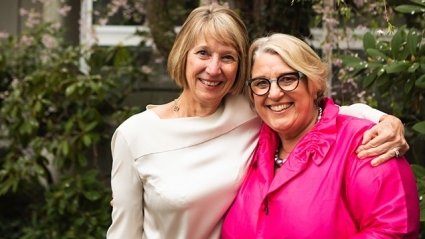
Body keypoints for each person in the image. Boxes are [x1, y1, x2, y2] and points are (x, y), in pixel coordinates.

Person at [106, 4, 410, 239]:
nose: (213, 69)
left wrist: (384, 120)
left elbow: (326, 111)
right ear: (183, 56)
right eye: (203, 53)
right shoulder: (135, 134)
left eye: (227, 57)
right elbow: (123, 231)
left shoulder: (251, 112)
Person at [221, 33, 420, 238]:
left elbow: (392, 230)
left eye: (288, 79)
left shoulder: (367, 143)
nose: (274, 93)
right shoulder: (249, 146)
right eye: (261, 83)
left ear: (314, 83)